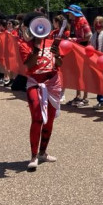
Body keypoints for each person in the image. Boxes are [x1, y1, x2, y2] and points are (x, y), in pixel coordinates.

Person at [18, 12, 64, 172]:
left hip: (53, 83)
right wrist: (36, 50)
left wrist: (58, 55)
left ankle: (43, 153)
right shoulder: (24, 44)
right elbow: (29, 65)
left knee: (49, 121)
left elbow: (59, 63)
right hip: (35, 83)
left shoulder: (52, 42)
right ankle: (33, 156)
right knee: (37, 118)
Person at [63, 4, 92, 107]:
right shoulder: (74, 22)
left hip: (83, 50)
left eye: (69, 12)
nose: (68, 14)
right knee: (77, 73)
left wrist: (75, 40)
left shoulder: (83, 21)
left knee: (83, 74)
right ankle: (78, 96)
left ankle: (85, 98)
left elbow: (89, 36)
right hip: (77, 50)